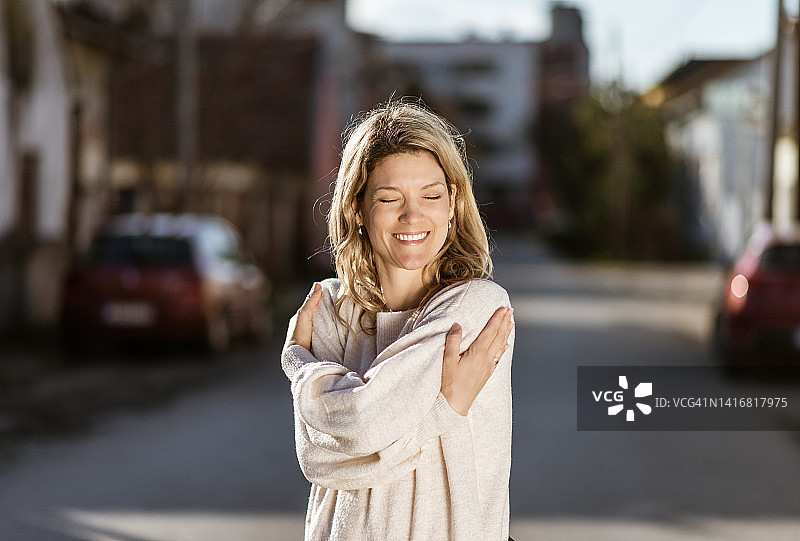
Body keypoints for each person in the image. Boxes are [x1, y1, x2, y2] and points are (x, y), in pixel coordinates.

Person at [282, 100, 515, 540]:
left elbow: (360, 424)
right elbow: (320, 455)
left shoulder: (475, 308)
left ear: (453, 204)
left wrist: (298, 363)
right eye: (390, 199)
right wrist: (444, 410)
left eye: (431, 196)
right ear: (357, 209)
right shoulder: (332, 308)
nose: (413, 216)